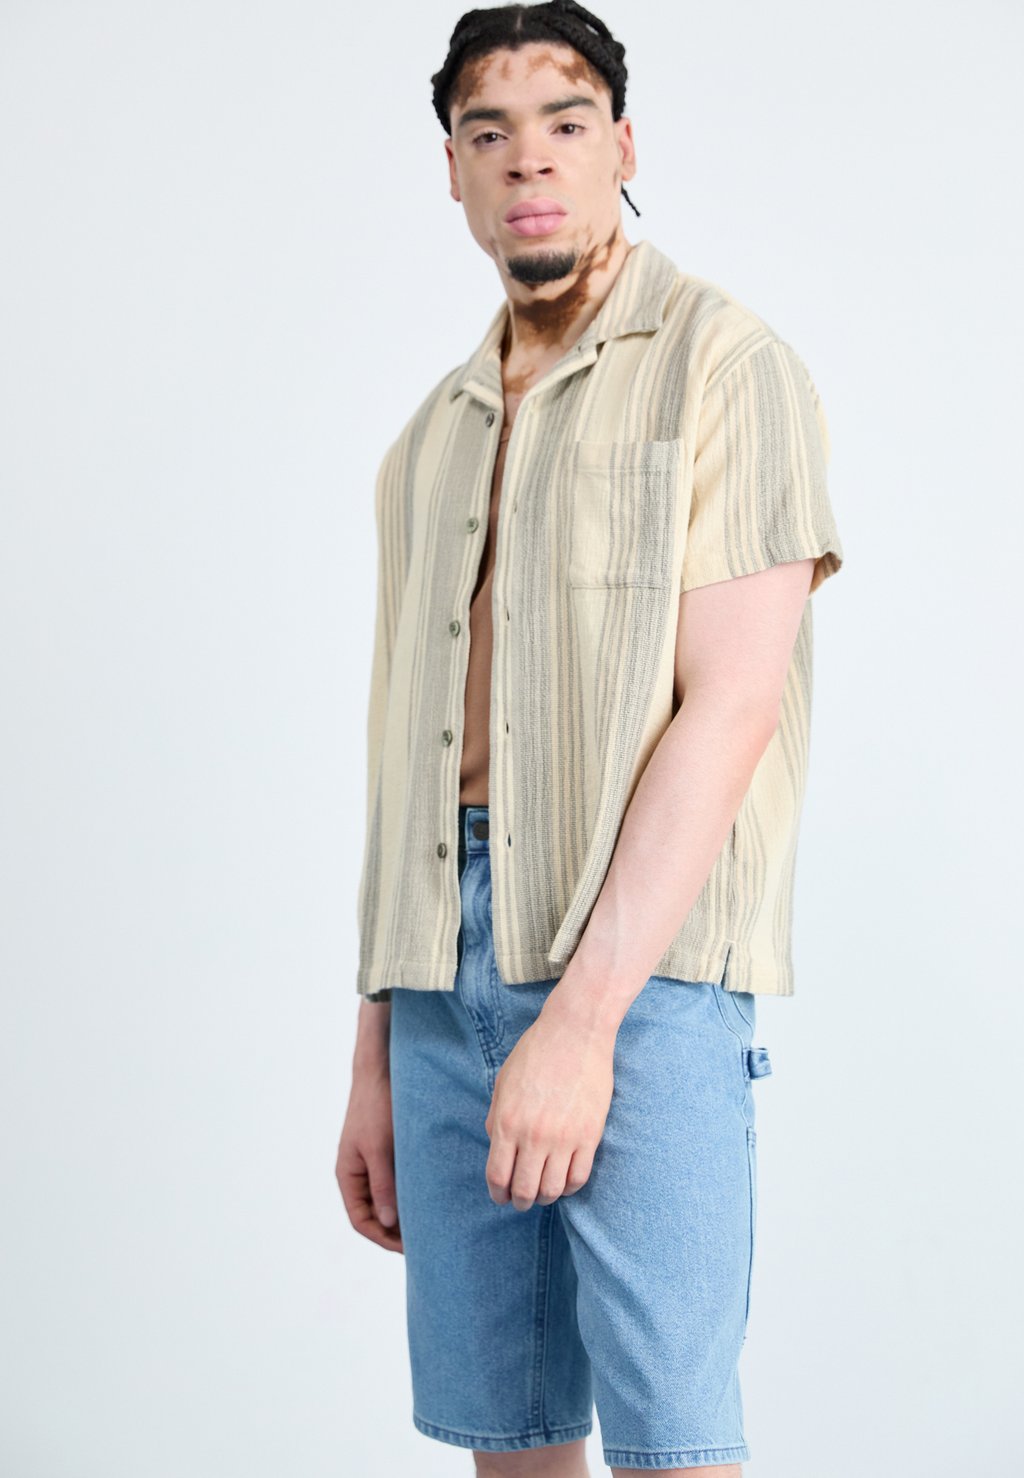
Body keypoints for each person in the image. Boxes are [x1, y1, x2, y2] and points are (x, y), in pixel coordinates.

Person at [336, 3, 845, 1473]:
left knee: (674, 1449)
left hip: (648, 963)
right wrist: (376, 1044)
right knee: (508, 1440)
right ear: (453, 169)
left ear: (623, 145)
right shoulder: (430, 437)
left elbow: (733, 706)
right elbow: (405, 753)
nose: (529, 161)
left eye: (565, 123)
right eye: (488, 132)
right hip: (439, 972)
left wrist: (582, 1019)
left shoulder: (727, 366)